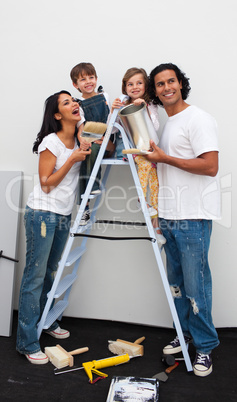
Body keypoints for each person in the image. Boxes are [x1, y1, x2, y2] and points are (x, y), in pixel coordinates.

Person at [147, 63, 221, 377]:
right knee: (177, 285)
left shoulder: (198, 118)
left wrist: (165, 158)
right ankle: (185, 333)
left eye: (171, 81)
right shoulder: (165, 124)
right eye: (160, 84)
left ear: (180, 84)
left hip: (193, 216)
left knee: (196, 286)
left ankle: (204, 347)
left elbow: (210, 166)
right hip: (170, 216)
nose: (166, 88)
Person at [16, 91, 91, 364]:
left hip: (62, 215)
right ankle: (26, 343)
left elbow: (90, 120)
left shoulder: (80, 137)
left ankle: (46, 321)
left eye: (74, 100)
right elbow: (46, 183)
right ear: (57, 115)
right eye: (67, 102)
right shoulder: (52, 142)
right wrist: (72, 159)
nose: (75, 104)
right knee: (35, 276)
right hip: (43, 215)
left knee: (51, 271)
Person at [111, 67, 166, 245]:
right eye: (130, 84)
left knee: (155, 183)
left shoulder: (151, 104)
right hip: (131, 149)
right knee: (144, 165)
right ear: (125, 87)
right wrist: (113, 112)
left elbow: (155, 127)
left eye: (139, 83)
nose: (135, 87)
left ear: (145, 85)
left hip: (147, 148)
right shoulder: (122, 103)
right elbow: (111, 129)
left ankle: (155, 226)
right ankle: (141, 199)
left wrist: (145, 108)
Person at [70, 62, 115, 225]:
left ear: (96, 79)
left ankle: (90, 189)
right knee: (89, 152)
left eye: (91, 77)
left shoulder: (105, 96)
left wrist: (106, 138)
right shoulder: (78, 103)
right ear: (76, 85)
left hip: (108, 138)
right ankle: (84, 205)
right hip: (91, 140)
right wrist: (90, 140)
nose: (88, 81)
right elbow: (81, 130)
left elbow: (111, 120)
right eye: (83, 79)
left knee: (99, 147)